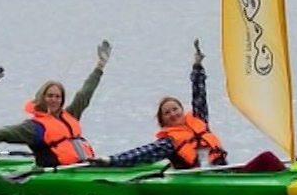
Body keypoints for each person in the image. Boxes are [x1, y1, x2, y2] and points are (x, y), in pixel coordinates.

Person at [0, 41, 110, 167]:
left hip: (83, 166)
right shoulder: (34, 128)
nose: (54, 100)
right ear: (41, 97)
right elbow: (4, 133)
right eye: (49, 96)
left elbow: (85, 93)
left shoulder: (70, 115)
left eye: (57, 97)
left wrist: (100, 67)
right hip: (57, 171)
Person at [92, 41, 229, 169]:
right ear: (162, 121)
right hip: (196, 176)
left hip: (222, 168)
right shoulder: (168, 142)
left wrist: (197, 67)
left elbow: (199, 94)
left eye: (175, 109)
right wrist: (111, 160)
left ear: (182, 110)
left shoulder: (199, 119)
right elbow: (140, 153)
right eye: (167, 113)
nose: (173, 114)